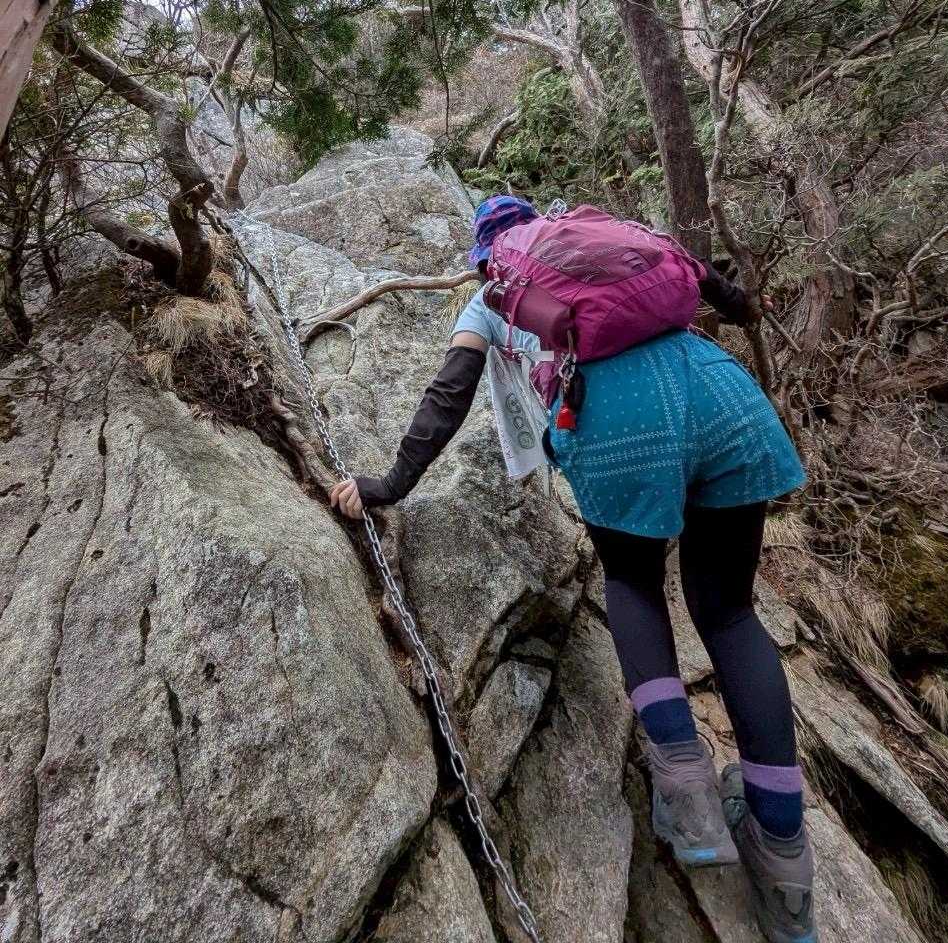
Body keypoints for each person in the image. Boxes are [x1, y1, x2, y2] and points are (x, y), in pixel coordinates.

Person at [331, 195, 816, 943]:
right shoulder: (616, 247)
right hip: (723, 395)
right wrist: (749, 308)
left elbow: (450, 391)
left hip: (619, 419)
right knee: (728, 613)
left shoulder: (494, 294)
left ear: (488, 255)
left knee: (633, 582)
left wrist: (391, 482)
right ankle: (785, 863)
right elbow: (718, 288)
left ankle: (688, 799)